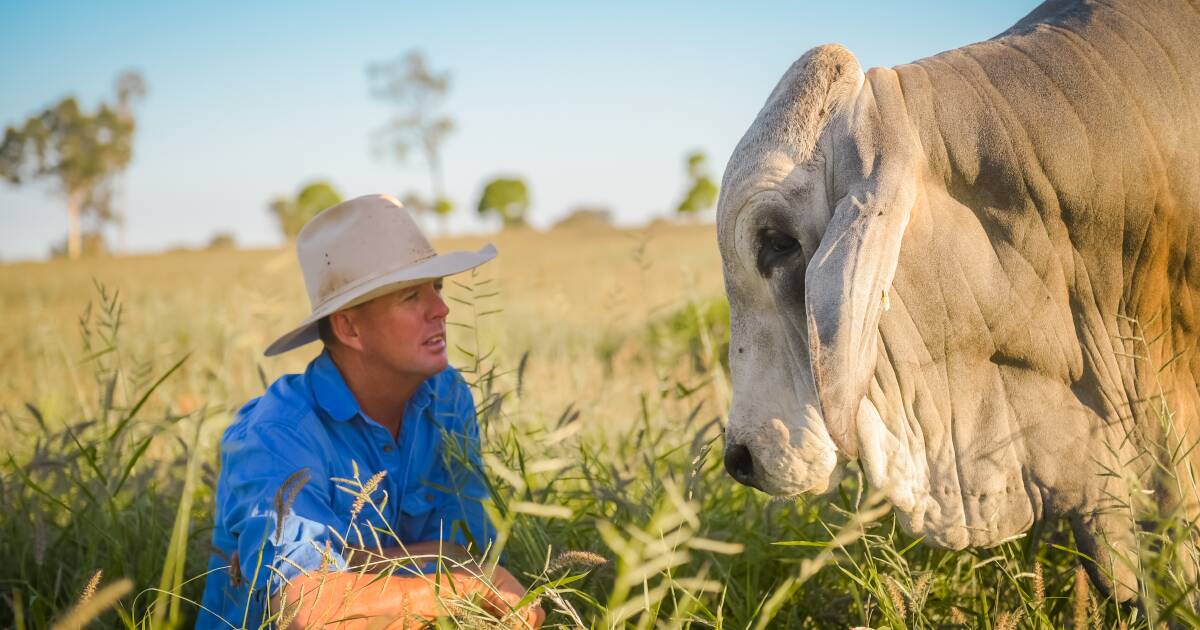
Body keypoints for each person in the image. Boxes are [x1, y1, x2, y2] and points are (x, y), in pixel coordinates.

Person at [196, 194, 544, 629]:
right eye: (409, 296)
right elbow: (307, 609)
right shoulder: (277, 435)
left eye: (436, 287)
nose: (441, 309)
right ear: (349, 327)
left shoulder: (448, 397)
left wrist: (366, 573)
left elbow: (469, 553)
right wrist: (461, 587)